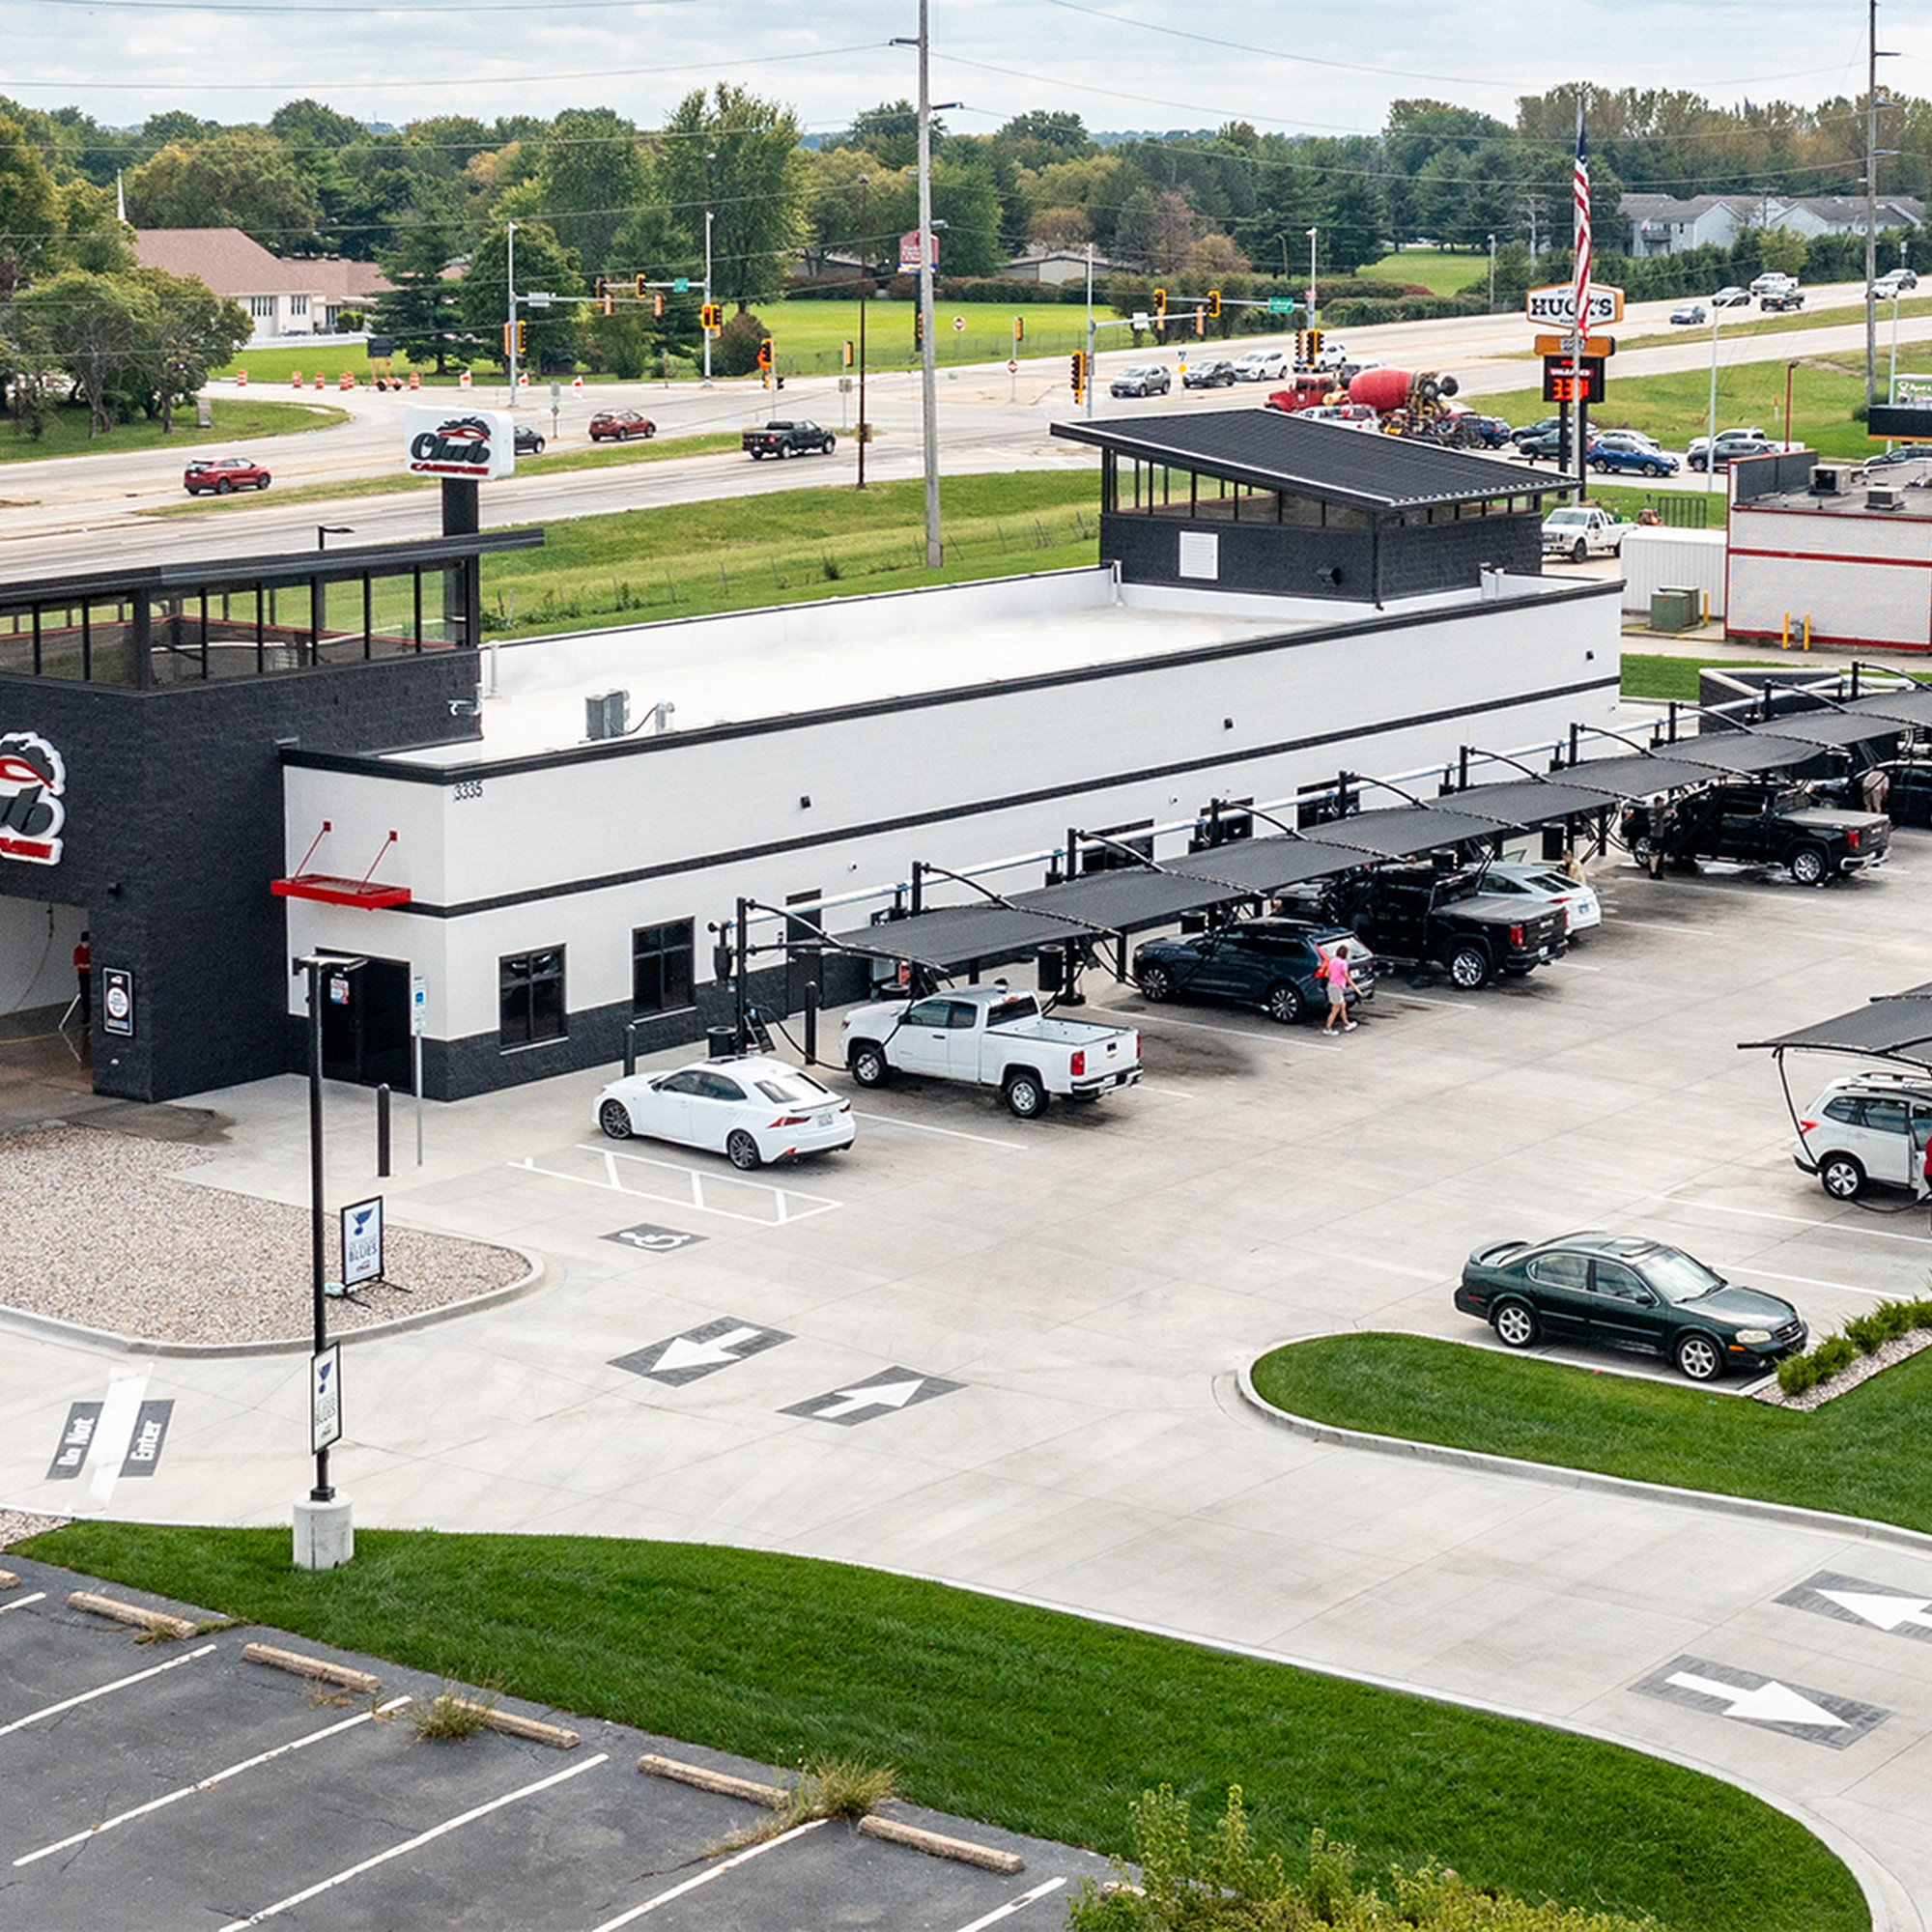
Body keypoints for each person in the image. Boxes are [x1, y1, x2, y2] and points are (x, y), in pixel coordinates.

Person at [1319, 944, 1358, 1035]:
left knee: (1342, 1005)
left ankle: (1346, 1023)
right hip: (1337, 987)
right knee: (1335, 1009)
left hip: (1331, 985)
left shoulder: (1332, 961)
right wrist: (1355, 987)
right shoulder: (1343, 963)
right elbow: (1346, 976)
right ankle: (1328, 1028)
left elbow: (1326, 974)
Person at [72, 929, 91, 1025]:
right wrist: (88, 966)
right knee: (85, 995)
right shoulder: (78, 950)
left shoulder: (91, 949)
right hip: (84, 974)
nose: (86, 944)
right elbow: (78, 964)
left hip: (91, 974)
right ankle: (86, 1015)